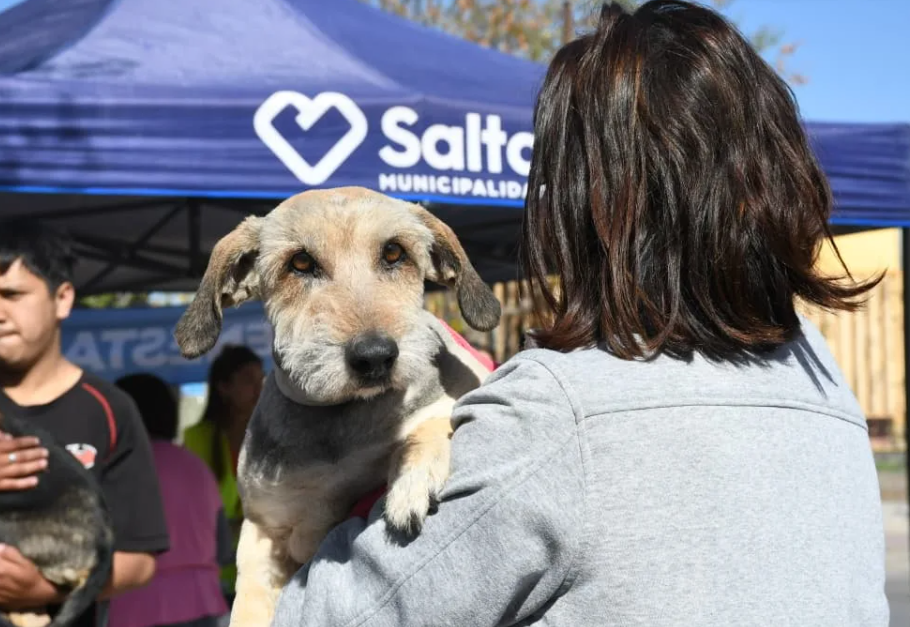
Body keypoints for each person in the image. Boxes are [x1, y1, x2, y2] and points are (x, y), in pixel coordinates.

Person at [270, 1, 890, 626]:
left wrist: (294, 531)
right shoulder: (822, 382)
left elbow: (328, 616)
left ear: (580, 204)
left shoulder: (557, 413)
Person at [0, 219, 170, 627]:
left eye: (12, 295)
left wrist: (47, 588)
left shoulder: (110, 410)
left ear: (62, 299)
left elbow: (140, 560)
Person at [109, 373, 231, 627]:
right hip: (202, 604)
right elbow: (223, 547)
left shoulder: (114, 469)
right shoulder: (196, 466)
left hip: (130, 607)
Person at [182, 345, 263, 605]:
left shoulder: (273, 435)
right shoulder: (196, 438)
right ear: (224, 387)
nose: (259, 388)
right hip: (213, 572)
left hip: (264, 567)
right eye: (248, 380)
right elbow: (188, 508)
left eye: (262, 379)